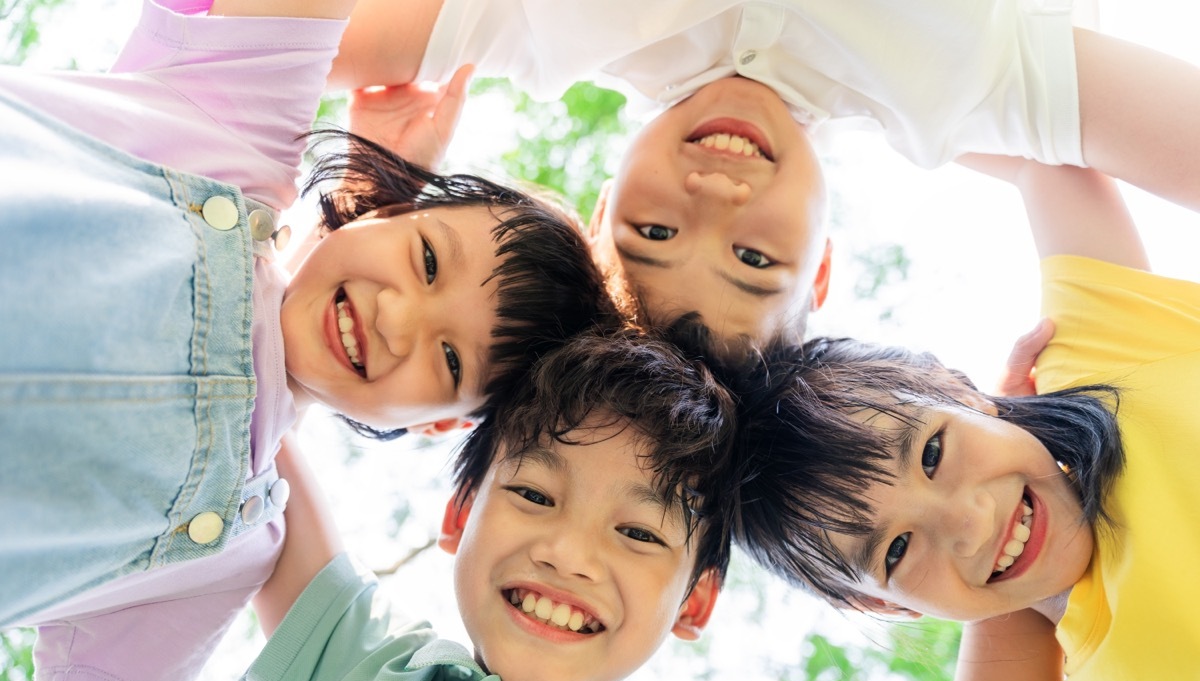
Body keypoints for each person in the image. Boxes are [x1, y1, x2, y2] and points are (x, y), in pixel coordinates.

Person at [0, 0, 608, 681]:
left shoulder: (227, 552)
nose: (396, 319)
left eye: (450, 356)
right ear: (390, 206)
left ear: (438, 425)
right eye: (426, 259)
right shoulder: (236, 127)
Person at [237, 328, 1063, 681]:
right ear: (460, 514)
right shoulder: (344, 668)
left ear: (696, 602)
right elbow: (250, 390)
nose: (568, 553)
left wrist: (1000, 467)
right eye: (532, 495)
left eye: (639, 535)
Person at [329, 0, 1200, 348]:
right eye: (756, 261)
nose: (717, 199)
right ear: (820, 263)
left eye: (656, 235)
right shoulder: (962, 93)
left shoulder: (541, 30)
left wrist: (367, 199)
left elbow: (245, 41)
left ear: (600, 216)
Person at [728, 158, 1199, 681]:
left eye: (932, 453)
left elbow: (1042, 139)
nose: (973, 523)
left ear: (958, 388)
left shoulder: (1106, 356)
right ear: (883, 604)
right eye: (898, 550)